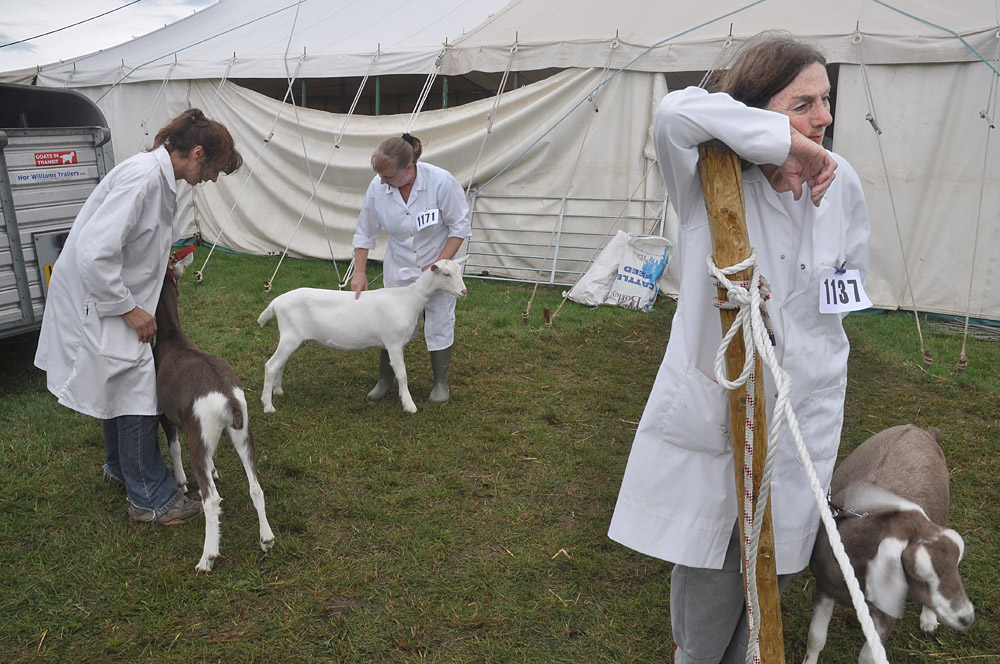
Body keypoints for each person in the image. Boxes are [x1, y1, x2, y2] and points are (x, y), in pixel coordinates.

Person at [607, 34, 871, 663]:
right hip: (721, 415)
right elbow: (675, 112)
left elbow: (845, 290)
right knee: (712, 580)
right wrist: (786, 147)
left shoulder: (845, 184)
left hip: (803, 414)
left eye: (826, 100)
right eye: (802, 103)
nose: (824, 118)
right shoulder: (708, 178)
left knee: (771, 590)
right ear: (757, 108)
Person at [34, 108, 243, 525]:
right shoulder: (144, 178)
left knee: (120, 383)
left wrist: (161, 268)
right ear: (197, 153)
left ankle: (119, 467)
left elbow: (136, 240)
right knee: (136, 390)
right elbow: (96, 253)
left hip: (113, 292)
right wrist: (129, 308)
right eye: (215, 169)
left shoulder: (158, 176)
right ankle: (149, 498)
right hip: (103, 296)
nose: (213, 179)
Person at [351, 133, 471, 404]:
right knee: (390, 323)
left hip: (438, 262)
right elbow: (365, 232)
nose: (383, 181)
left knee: (439, 318)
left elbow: (460, 227)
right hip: (401, 267)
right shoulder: (377, 186)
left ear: (409, 168)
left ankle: (440, 382)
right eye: (380, 175)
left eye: (388, 176)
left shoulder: (441, 182)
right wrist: (359, 271)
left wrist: (440, 265)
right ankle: (385, 379)